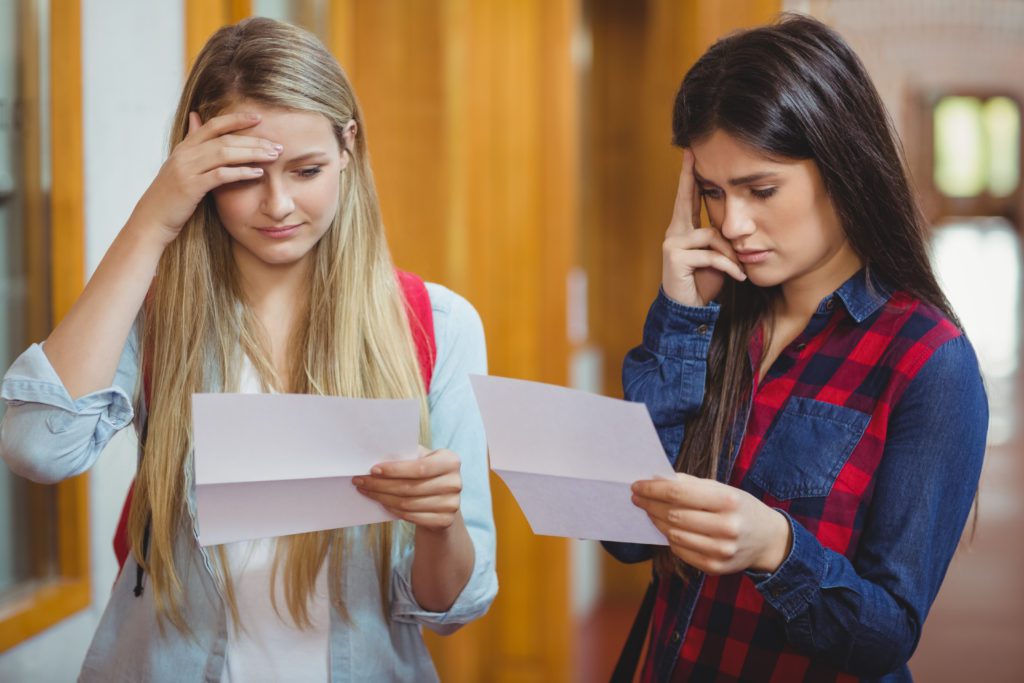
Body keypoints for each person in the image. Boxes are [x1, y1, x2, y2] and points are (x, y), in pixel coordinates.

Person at [0, 17, 495, 682]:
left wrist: (439, 525)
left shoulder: (437, 323)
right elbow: (38, 445)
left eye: (308, 169)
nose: (278, 204)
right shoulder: (158, 315)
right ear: (196, 160)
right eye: (244, 175)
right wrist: (154, 216)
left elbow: (449, 607)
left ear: (349, 146)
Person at [604, 14, 988, 683]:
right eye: (713, 193)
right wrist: (680, 315)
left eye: (761, 189)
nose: (733, 223)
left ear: (842, 165)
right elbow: (625, 536)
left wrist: (777, 549)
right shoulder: (709, 315)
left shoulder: (929, 361)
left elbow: (886, 636)